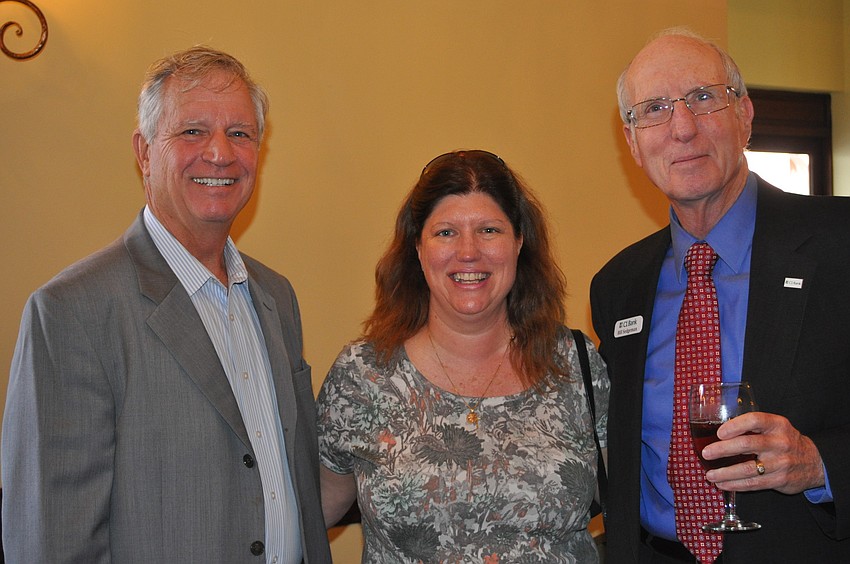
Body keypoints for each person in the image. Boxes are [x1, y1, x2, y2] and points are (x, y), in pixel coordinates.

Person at [1, 46, 331, 563]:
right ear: (145, 152)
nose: (220, 153)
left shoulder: (276, 298)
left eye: (240, 133)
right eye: (192, 131)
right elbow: (52, 542)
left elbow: (292, 490)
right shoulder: (71, 313)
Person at [590, 27, 850, 563]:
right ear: (633, 142)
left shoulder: (840, 245)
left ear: (746, 115)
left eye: (704, 98)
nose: (682, 128)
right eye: (655, 109)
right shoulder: (617, 286)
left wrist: (819, 463)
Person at [316, 149, 609, 562]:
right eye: (446, 233)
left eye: (489, 230)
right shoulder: (362, 376)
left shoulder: (577, 367)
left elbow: (636, 506)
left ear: (519, 242)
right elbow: (306, 518)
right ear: (418, 249)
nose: (468, 252)